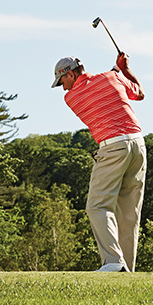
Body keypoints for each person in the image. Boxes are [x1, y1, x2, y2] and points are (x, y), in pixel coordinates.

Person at [52, 53, 146, 272]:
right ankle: (126, 269)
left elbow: (103, 81)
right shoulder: (112, 78)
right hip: (138, 145)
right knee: (129, 213)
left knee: (97, 206)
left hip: (113, 148)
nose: (64, 88)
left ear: (71, 74)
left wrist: (117, 68)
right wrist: (124, 69)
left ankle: (113, 262)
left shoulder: (72, 97)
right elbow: (139, 93)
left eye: (62, 81)